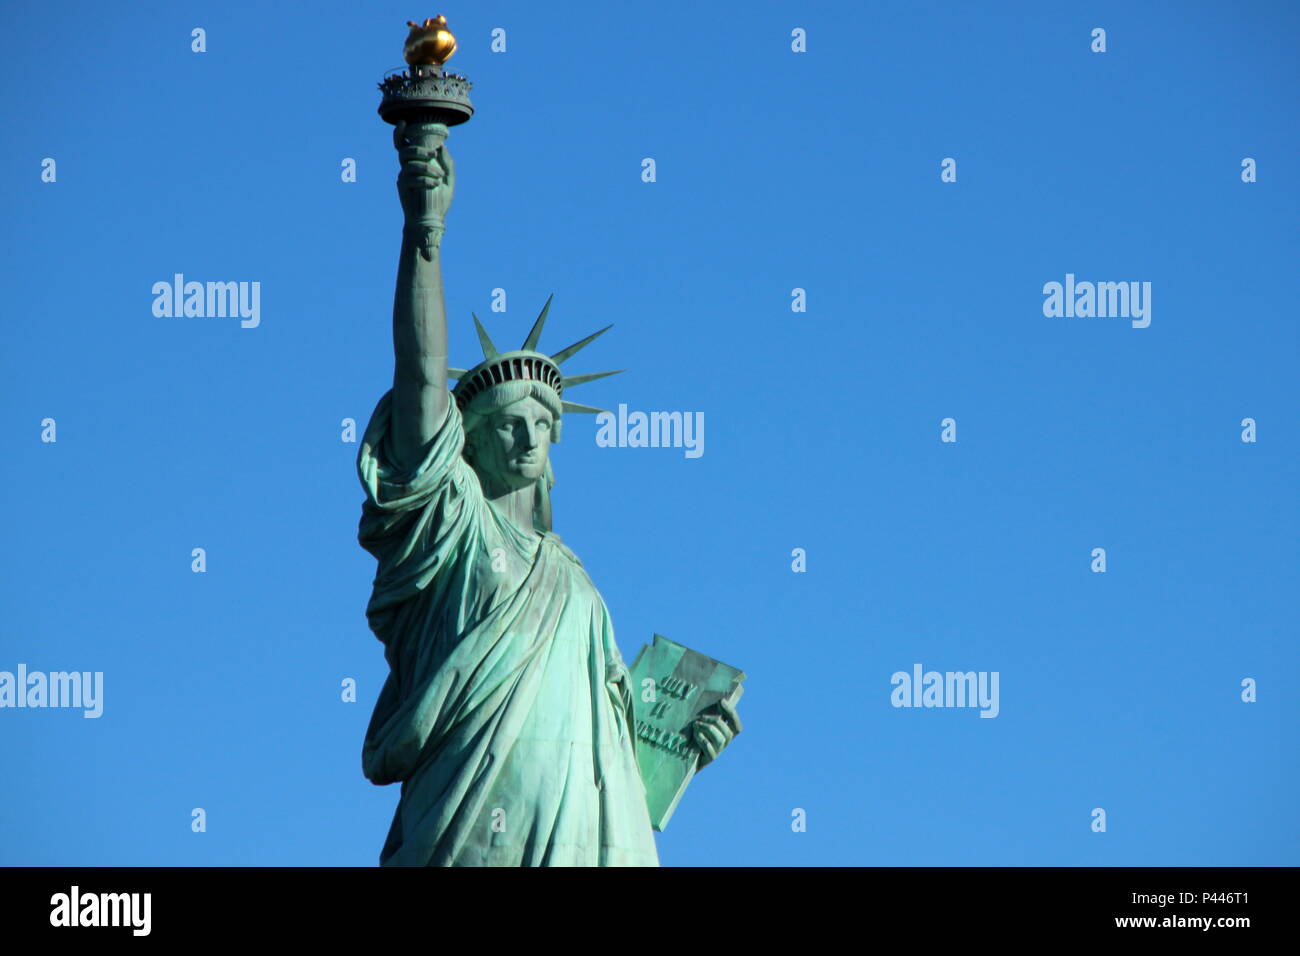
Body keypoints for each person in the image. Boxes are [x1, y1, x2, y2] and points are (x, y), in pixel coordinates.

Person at [355, 119, 739, 866]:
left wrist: (684, 746)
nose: (530, 440)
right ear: (464, 444)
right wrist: (424, 231)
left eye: (542, 425)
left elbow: (614, 743)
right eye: (508, 425)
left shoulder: (574, 580)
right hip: (470, 815)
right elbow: (422, 375)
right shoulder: (454, 530)